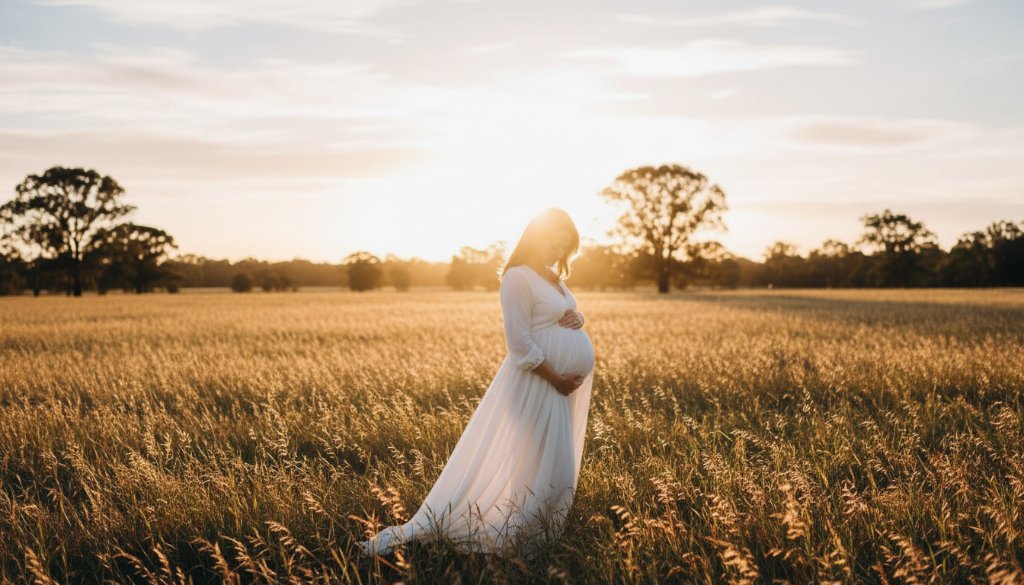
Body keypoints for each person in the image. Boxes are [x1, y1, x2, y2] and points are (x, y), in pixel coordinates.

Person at [356, 208, 595, 557]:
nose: (558, 248)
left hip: (560, 388)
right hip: (536, 384)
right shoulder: (518, 277)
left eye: (565, 242)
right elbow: (519, 343)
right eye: (553, 239)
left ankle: (534, 536)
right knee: (546, 467)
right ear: (536, 236)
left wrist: (578, 316)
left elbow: (561, 311)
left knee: (556, 468)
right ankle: (516, 540)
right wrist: (556, 377)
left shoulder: (552, 277)